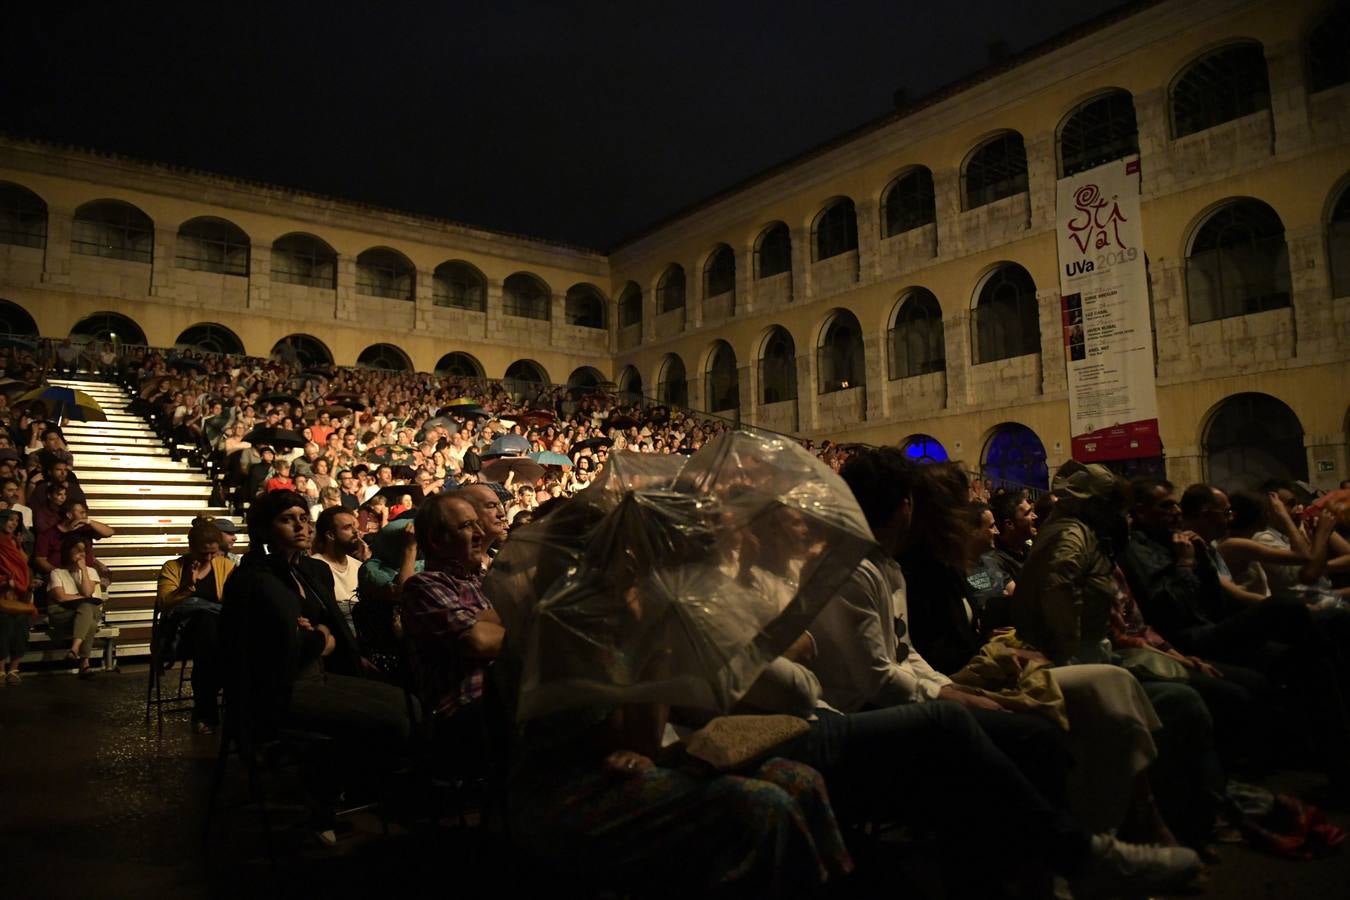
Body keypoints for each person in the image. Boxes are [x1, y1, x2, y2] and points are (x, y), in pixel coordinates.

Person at [218, 490, 410, 829]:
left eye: (304, 519)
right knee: (393, 717)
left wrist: (324, 639)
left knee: (405, 702)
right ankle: (346, 799)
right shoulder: (255, 578)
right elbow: (286, 646)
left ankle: (359, 791)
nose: (300, 526)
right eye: (287, 520)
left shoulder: (307, 570)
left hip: (314, 674)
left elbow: (324, 625)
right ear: (263, 529)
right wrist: (320, 638)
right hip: (276, 689)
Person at [402, 494, 499, 770]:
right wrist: (530, 626)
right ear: (435, 539)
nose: (480, 533)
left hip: (506, 694)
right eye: (468, 526)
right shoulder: (424, 586)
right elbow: (478, 641)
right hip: (466, 710)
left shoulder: (483, 581)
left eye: (479, 525)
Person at [156, 520, 235, 732]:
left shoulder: (225, 566)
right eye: (203, 553)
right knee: (206, 623)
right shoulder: (173, 567)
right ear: (191, 548)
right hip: (181, 636)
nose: (209, 558)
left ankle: (206, 711)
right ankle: (211, 710)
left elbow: (233, 602)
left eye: (214, 553)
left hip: (215, 637)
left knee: (212, 636)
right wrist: (187, 587)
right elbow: (165, 604)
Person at [46, 535, 104, 678]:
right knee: (87, 612)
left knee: (87, 611)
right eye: (77, 550)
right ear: (68, 552)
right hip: (63, 615)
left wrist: (83, 570)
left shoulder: (90, 572)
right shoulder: (57, 573)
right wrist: (84, 599)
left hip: (85, 615)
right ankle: (84, 663)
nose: (81, 554)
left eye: (83, 551)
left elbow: (87, 591)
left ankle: (74, 649)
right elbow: (61, 597)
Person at [312, 506, 369, 633]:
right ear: (331, 535)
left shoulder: (358, 566)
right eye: (347, 527)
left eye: (355, 526)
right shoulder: (314, 566)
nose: (356, 531)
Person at [0, 509, 34, 684]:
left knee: (21, 622)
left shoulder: (16, 543)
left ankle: (13, 669)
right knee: (3, 622)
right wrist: (5, 580)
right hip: (2, 594)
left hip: (18, 595)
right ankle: (0, 669)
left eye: (16, 521)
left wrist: (29, 584)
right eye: (10, 520)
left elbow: (23, 569)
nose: (13, 523)